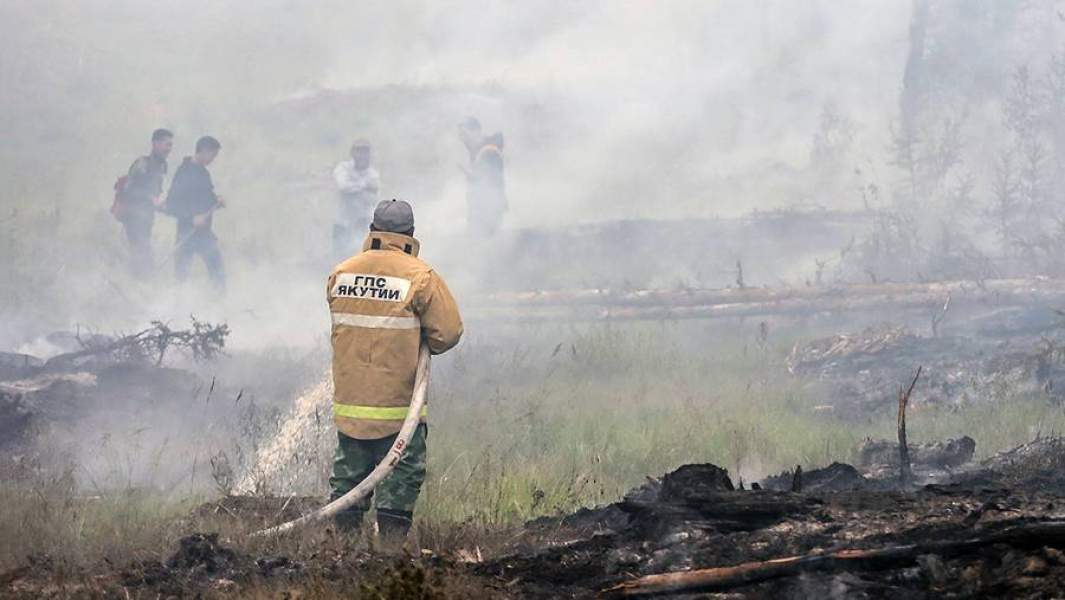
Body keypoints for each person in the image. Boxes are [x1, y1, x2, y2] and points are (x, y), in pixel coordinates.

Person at [326, 199, 463, 547]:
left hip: (350, 406)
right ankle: (389, 553)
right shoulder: (420, 277)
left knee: (349, 479)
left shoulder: (341, 273)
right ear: (411, 235)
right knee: (401, 478)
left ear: (373, 232)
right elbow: (447, 334)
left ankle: (341, 554)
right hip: (400, 408)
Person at [165, 136, 225, 291]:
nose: (213, 159)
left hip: (204, 234)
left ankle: (219, 306)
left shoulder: (203, 173)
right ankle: (179, 308)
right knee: (181, 276)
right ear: (204, 151)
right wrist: (192, 218)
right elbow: (171, 205)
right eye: (213, 155)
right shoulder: (184, 172)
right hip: (187, 234)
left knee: (217, 271)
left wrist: (217, 201)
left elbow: (206, 199)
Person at [119, 128, 172, 278]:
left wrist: (160, 205)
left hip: (147, 217)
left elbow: (155, 192)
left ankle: (141, 282)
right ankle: (139, 283)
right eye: (166, 144)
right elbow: (129, 190)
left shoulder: (162, 166)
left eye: (170, 145)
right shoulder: (142, 164)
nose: (169, 149)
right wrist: (150, 198)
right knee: (141, 251)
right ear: (155, 143)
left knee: (142, 250)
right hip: (133, 216)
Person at [333, 139, 380, 259]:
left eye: (365, 151)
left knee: (359, 255)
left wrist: (356, 188)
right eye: (359, 151)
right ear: (353, 153)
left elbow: (374, 198)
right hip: (343, 221)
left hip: (362, 222)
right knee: (339, 256)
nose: (362, 155)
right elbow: (343, 186)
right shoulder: (343, 168)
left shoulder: (373, 174)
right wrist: (364, 186)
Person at [458, 117, 506, 234]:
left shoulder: (488, 151)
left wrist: (469, 174)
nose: (462, 138)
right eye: (461, 135)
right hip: (480, 212)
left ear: (476, 131)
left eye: (464, 133)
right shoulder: (478, 152)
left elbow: (491, 181)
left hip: (487, 213)